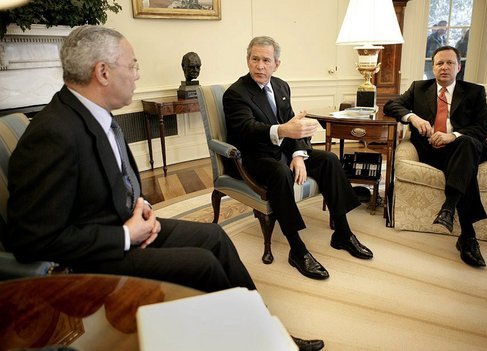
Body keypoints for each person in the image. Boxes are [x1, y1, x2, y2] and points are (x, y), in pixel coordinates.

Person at [3, 25, 325, 351]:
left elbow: (112, 179)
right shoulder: (53, 133)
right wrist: (126, 235)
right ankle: (247, 341)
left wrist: (138, 201)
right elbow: (29, 240)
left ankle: (263, 327)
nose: (137, 76)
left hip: (123, 225)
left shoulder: (93, 113)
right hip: (97, 254)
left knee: (215, 237)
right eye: (132, 66)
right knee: (203, 265)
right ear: (102, 72)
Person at [223, 36, 373, 281]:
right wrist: (283, 131)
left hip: (281, 151)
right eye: (255, 59)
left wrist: (298, 155)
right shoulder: (236, 93)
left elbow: (294, 124)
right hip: (252, 157)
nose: (260, 66)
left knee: (329, 160)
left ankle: (343, 233)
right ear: (247, 60)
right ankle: (297, 249)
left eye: (266, 60)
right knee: (280, 173)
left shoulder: (281, 86)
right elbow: (247, 130)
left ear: (276, 64)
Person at [383, 46, 487, 267]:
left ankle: (450, 210)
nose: (444, 67)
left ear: (459, 67)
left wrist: (453, 136)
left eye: (450, 63)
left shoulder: (474, 92)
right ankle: (467, 238)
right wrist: (412, 117)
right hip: (432, 150)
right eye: (439, 63)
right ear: (433, 67)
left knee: (467, 143)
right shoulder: (419, 88)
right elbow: (391, 105)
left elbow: (483, 127)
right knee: (464, 169)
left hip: (463, 148)